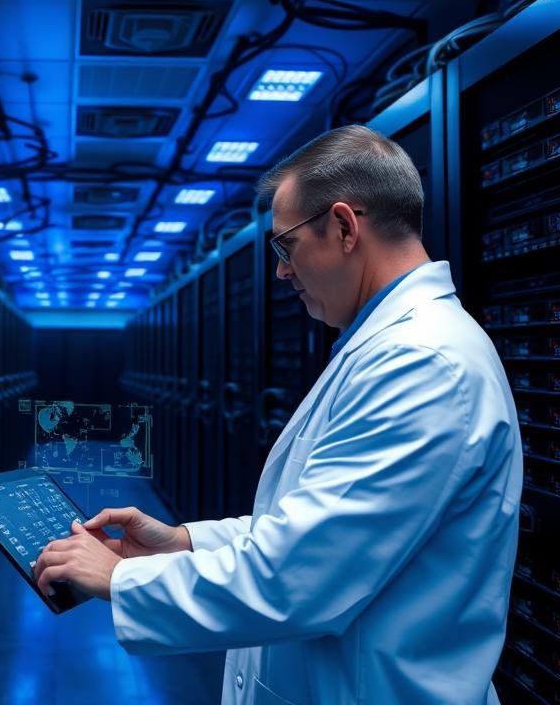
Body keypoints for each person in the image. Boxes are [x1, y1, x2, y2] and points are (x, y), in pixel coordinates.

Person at [33, 125, 522, 704]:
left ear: (343, 227)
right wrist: (185, 543)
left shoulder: (422, 362)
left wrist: (119, 577)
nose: (282, 271)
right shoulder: (390, 348)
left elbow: (299, 579)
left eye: (285, 246)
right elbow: (312, 528)